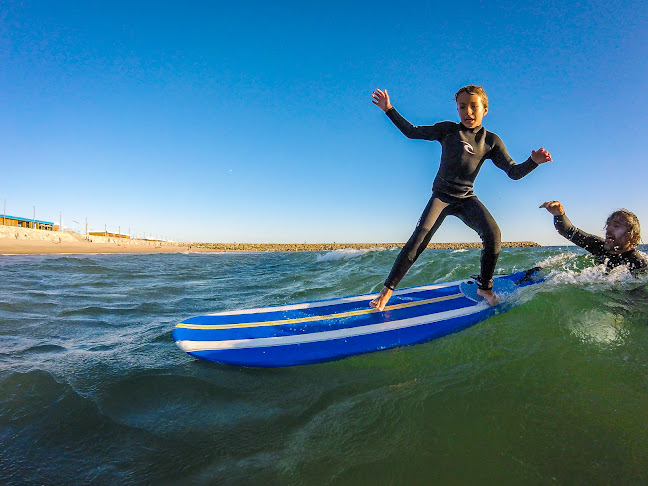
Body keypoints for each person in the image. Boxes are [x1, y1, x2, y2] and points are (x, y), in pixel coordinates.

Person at [370, 85, 553, 309]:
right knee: (420, 237)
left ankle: (484, 287)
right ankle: (387, 290)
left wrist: (533, 162)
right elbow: (412, 131)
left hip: (466, 198)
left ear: (484, 109)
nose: (468, 111)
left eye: (473, 106)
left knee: (493, 233)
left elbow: (513, 172)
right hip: (441, 197)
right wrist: (389, 109)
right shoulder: (447, 130)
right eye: (462, 107)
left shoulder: (491, 141)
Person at [540, 200, 647, 276]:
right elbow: (568, 231)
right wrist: (559, 214)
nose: (608, 229)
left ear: (632, 236)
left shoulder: (639, 263)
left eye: (616, 226)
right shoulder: (599, 246)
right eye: (608, 224)